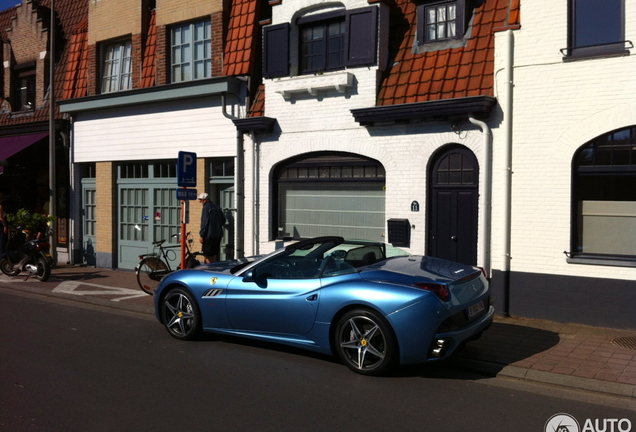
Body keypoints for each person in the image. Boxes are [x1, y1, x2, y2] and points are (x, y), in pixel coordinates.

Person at [198, 193, 226, 263]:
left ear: (204, 200)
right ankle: (215, 268)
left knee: (206, 254)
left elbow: (204, 222)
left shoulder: (206, 208)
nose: (200, 202)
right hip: (218, 235)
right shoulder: (217, 207)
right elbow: (223, 220)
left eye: (200, 200)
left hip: (209, 235)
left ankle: (211, 270)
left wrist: (202, 235)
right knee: (213, 254)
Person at [0, 194, 7, 258]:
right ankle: (2, 255)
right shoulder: (0, 206)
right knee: (2, 240)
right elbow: (1, 218)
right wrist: (5, 226)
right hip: (0, 225)